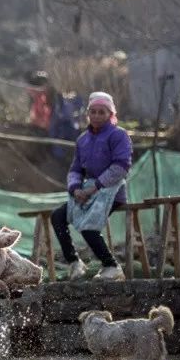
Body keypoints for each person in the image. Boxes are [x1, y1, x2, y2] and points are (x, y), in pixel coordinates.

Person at [51, 91, 132, 281]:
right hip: (86, 192)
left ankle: (111, 266)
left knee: (88, 226)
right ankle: (74, 263)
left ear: (110, 114)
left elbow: (121, 166)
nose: (96, 116)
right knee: (58, 216)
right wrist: (75, 188)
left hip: (111, 191)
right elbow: (76, 169)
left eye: (101, 112)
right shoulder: (82, 140)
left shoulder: (119, 135)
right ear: (88, 114)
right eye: (93, 112)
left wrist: (95, 187)